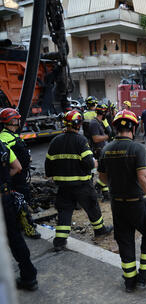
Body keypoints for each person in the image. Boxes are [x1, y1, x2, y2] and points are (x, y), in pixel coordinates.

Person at [98, 109, 146, 292]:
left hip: (117, 204)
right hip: (137, 203)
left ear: (116, 127)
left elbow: (102, 178)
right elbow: (144, 177)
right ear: (133, 127)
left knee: (125, 240)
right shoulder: (137, 148)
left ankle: (129, 280)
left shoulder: (106, 149)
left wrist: (118, 180)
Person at [45, 110, 113, 252]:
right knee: (92, 207)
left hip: (63, 186)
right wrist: (96, 163)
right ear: (78, 124)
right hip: (82, 185)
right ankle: (100, 230)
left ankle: (59, 241)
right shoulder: (81, 140)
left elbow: (48, 166)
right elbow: (89, 163)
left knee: (64, 211)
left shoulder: (55, 141)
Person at [1, 135, 38, 291]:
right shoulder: (2, 146)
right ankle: (29, 276)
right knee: (15, 237)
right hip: (5, 197)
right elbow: (17, 167)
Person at [0, 109, 40, 239]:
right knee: (20, 202)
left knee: (22, 200)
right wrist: (7, 178)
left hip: (20, 176)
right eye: (17, 118)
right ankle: (29, 229)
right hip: (16, 178)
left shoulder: (11, 134)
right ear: (12, 121)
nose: (19, 120)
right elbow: (7, 158)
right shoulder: (4, 137)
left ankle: (23, 224)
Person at [89, 103, 110, 200]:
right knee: (106, 172)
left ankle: (105, 195)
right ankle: (97, 186)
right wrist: (108, 137)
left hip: (101, 150)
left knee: (103, 172)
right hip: (98, 151)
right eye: (106, 112)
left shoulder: (99, 122)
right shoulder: (94, 123)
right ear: (103, 112)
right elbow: (96, 139)